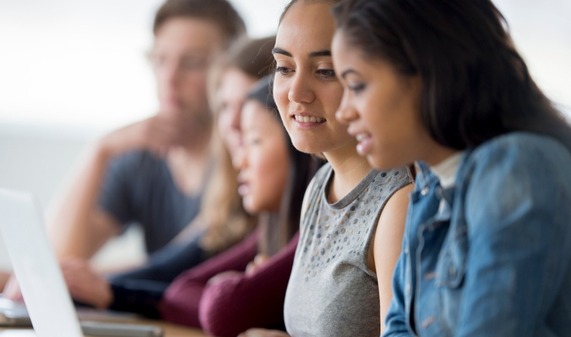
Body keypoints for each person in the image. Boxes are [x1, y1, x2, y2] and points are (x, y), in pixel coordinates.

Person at [331, 0, 571, 336]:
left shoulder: (519, 168)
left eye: (356, 86)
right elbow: (397, 326)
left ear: (427, 70)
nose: (343, 112)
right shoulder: (430, 184)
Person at [57, 36, 276, 314]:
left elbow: (214, 299)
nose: (233, 124)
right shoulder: (229, 199)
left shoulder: (294, 215)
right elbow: (170, 272)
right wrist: (98, 149)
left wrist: (107, 291)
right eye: (225, 106)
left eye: (193, 62)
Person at [241, 1, 414, 336]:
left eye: (325, 71)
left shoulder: (398, 201)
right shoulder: (319, 187)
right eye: (285, 67)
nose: (296, 93)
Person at [160, 75, 324, 337]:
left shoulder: (316, 228)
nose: (239, 160)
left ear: (299, 153)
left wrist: (230, 286)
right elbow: (179, 292)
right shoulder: (267, 231)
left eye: (254, 142)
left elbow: (225, 310)